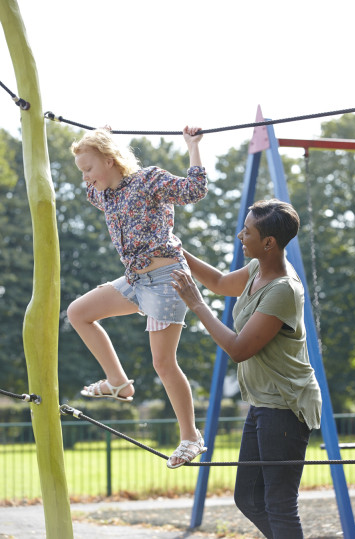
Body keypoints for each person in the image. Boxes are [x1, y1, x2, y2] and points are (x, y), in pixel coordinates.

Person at [170, 199, 322, 538]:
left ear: (268, 242)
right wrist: (176, 249)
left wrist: (196, 304)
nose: (240, 235)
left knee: (279, 505)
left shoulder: (283, 289)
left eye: (248, 231)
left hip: (286, 405)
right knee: (248, 498)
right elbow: (222, 282)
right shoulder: (257, 269)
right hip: (263, 403)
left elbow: (239, 349)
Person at [67, 126, 208, 469]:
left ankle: (191, 437)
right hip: (135, 280)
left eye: (88, 169)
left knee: (163, 363)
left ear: (112, 161)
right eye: (81, 171)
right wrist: (101, 136)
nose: (85, 177)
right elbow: (94, 180)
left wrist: (193, 147)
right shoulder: (103, 194)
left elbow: (194, 190)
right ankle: (118, 382)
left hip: (165, 280)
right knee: (78, 312)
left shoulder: (149, 180)